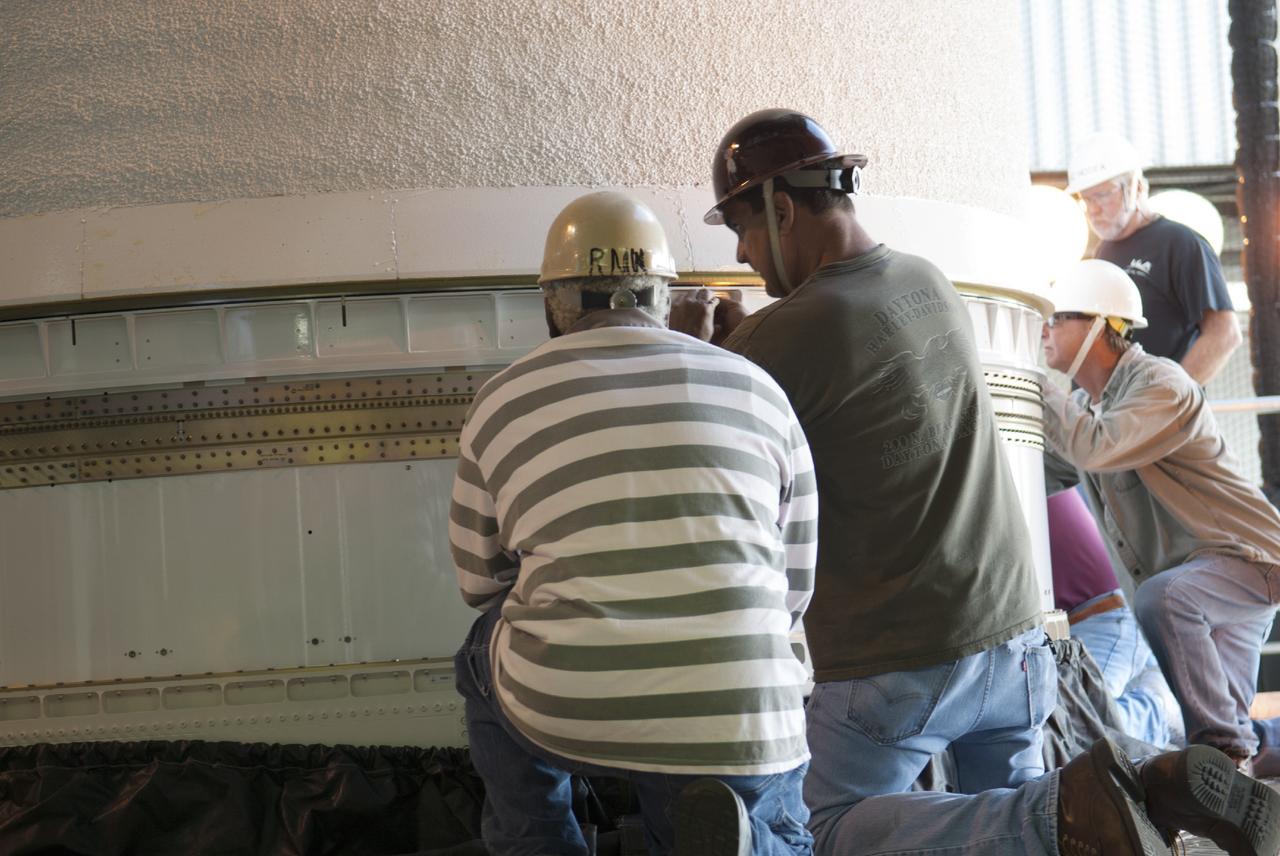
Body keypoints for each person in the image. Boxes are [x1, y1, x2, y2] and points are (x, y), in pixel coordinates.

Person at [671, 107, 1055, 850]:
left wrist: (691, 349)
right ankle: (1080, 810)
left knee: (829, 827)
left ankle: (1059, 815)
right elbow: (846, 370)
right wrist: (744, 338)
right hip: (1015, 635)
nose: (746, 255)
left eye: (744, 231)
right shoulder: (927, 279)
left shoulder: (779, 335)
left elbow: (696, 444)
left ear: (782, 211)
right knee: (1008, 836)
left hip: (901, 661)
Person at [449, 190, 819, 856]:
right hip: (739, 705)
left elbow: (478, 581)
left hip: (562, 699)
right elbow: (794, 587)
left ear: (550, 303)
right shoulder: (758, 389)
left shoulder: (501, 397)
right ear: (661, 295)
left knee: (483, 647)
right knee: (738, 763)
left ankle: (540, 840)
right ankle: (744, 838)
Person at [1040, 258, 1280, 773]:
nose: (1044, 329)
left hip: (1248, 560)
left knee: (1163, 602)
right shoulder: (1091, 405)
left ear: (1101, 326)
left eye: (1058, 318)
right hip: (1209, 580)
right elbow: (1052, 467)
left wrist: (1026, 381)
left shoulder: (1159, 384)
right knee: (1240, 744)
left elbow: (1093, 447)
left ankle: (1220, 760)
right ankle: (1240, 772)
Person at [1066, 132, 1241, 385]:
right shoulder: (1102, 254)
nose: (1093, 209)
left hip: (1162, 417)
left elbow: (1224, 334)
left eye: (1103, 195)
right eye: (1086, 198)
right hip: (1113, 416)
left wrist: (1167, 400)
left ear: (1136, 187)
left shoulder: (1180, 243)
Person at [1047, 489, 1183, 748]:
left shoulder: (1021, 465)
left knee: (1076, 733)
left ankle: (1157, 711)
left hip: (1104, 615)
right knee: (1061, 728)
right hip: (1089, 616)